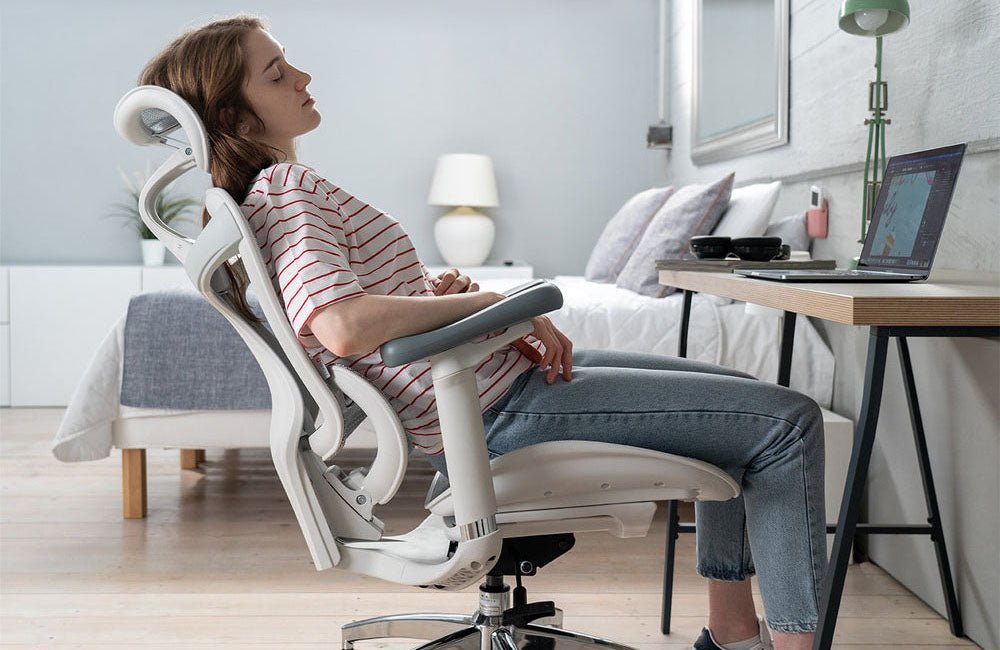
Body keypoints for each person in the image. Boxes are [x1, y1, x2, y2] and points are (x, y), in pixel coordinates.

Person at [139, 16, 827, 650]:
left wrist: (459, 309)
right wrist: (504, 305)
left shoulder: (276, 193)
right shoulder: (285, 189)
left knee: (744, 398)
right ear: (233, 114)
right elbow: (342, 326)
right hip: (502, 409)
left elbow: (356, 310)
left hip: (496, 389)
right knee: (787, 423)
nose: (303, 78)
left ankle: (733, 638)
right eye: (277, 73)